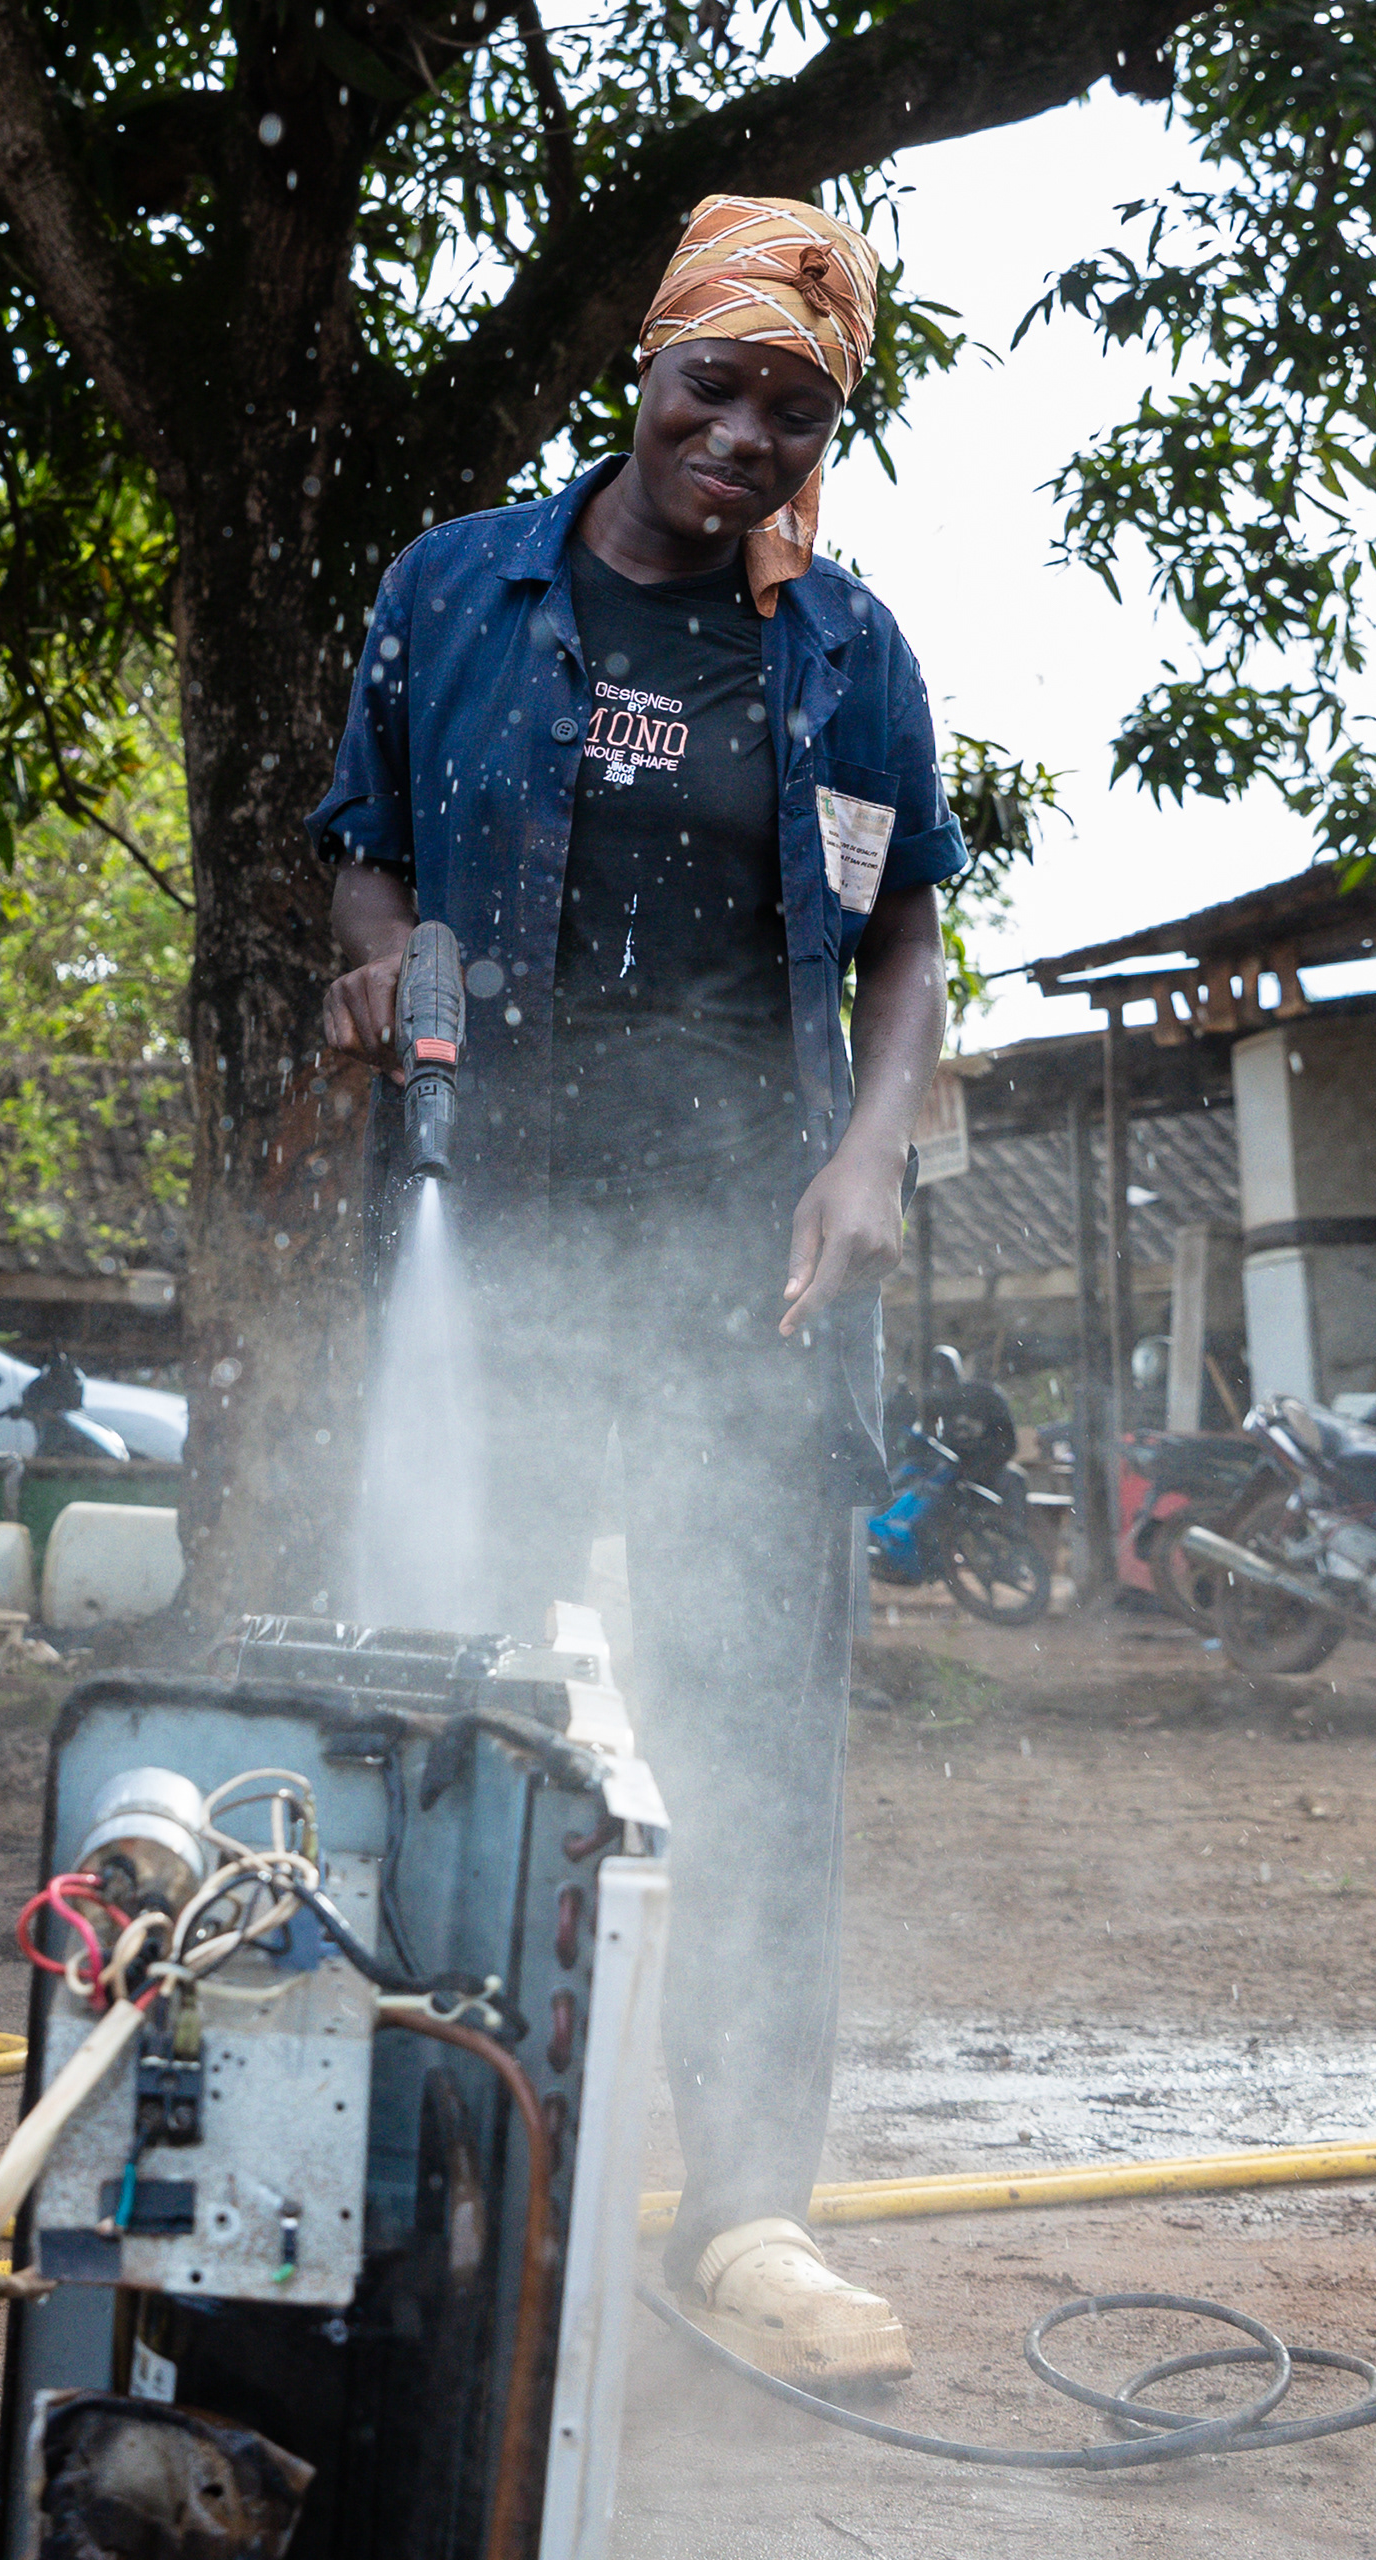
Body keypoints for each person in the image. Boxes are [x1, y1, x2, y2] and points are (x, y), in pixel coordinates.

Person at [313, 196, 960, 2388]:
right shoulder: (458, 590)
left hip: (744, 1261)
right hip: (489, 1230)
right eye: (719, 386)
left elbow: (904, 941)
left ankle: (748, 2206)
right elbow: (364, 836)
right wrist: (376, 956)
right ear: (647, 364)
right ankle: (446, 2172)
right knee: (461, 1708)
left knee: (750, 1724)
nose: (749, 437)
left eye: (800, 406)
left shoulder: (847, 653)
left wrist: (873, 1149)